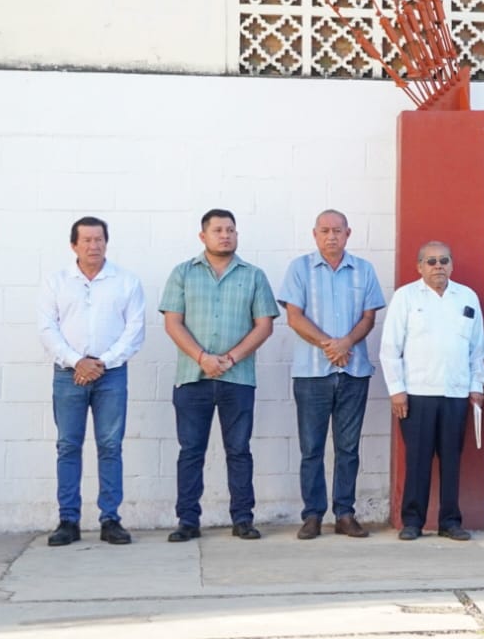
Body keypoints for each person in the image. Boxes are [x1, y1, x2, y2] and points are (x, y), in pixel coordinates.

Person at [160, 208, 278, 542]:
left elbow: (264, 325)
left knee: (239, 450)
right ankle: (187, 521)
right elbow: (172, 322)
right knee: (190, 451)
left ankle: (242, 519)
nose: (225, 235)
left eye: (230, 230)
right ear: (203, 236)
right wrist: (202, 358)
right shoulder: (183, 273)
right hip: (192, 378)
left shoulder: (253, 275)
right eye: (217, 230)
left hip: (237, 380)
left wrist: (228, 358)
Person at [36, 216, 146, 547]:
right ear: (74, 245)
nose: (93, 245)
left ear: (106, 243)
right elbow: (47, 329)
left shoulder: (126, 281)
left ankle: (110, 519)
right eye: (86, 240)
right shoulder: (55, 282)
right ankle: (68, 520)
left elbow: (135, 329)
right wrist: (77, 362)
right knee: (68, 446)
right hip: (68, 375)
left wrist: (101, 363)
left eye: (99, 239)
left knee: (110, 446)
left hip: (111, 375)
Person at [279, 209, 385, 540]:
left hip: (354, 373)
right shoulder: (299, 269)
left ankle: (345, 513)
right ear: (315, 234)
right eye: (324, 230)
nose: (331, 236)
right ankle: (312, 515)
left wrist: (347, 344)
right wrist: (330, 346)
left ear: (348, 233)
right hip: (312, 374)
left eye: (337, 230)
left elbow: (369, 317)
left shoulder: (364, 270)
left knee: (348, 447)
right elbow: (294, 317)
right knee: (311, 447)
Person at [380, 241, 484, 542]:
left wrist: (476, 386)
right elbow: (390, 349)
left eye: (444, 261)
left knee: (452, 460)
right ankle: (412, 521)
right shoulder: (406, 297)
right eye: (431, 261)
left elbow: (477, 348)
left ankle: (450, 522)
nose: (438, 266)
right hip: (417, 393)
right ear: (419, 267)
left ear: (452, 265)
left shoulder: (466, 297)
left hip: (455, 393)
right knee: (418, 460)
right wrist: (397, 391)